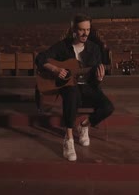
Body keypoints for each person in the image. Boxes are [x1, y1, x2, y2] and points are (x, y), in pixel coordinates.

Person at [35, 14, 114, 161]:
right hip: (69, 87)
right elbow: (40, 58)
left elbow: (95, 81)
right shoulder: (63, 46)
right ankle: (69, 138)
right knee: (71, 93)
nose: (85, 33)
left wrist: (99, 78)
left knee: (108, 107)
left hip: (88, 87)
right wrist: (55, 69)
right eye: (82, 30)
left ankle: (84, 125)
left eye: (88, 30)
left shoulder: (94, 49)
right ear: (74, 29)